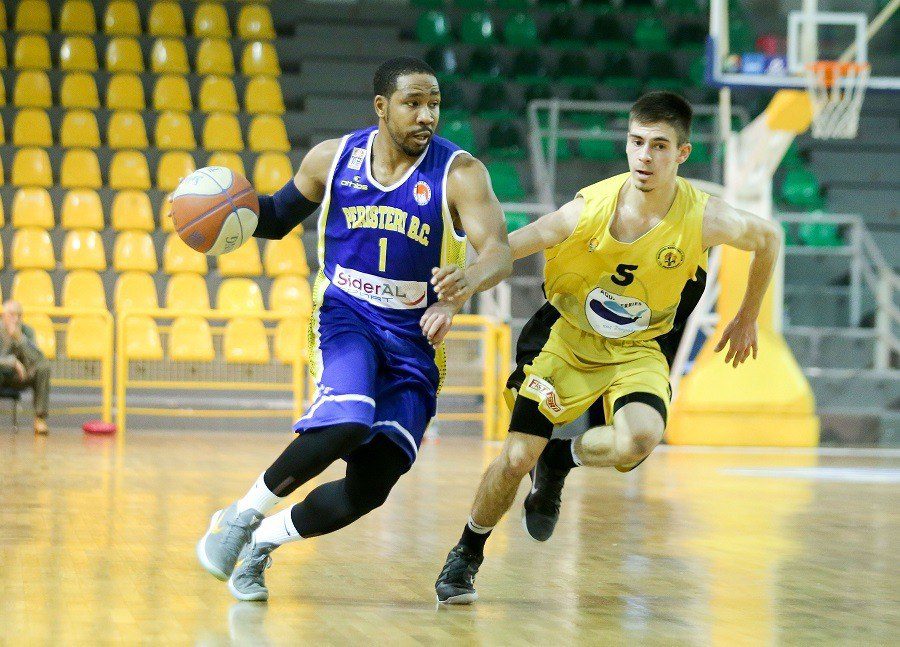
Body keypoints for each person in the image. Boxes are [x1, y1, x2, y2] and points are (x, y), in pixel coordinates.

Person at [434, 91, 784, 604]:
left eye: (659, 146)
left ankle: (561, 459)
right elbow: (511, 246)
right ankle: (467, 552)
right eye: (637, 142)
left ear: (682, 153)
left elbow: (770, 237)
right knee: (516, 458)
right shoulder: (589, 209)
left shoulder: (705, 217)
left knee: (639, 440)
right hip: (565, 340)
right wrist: (460, 284)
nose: (645, 156)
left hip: (636, 349)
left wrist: (748, 314)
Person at [196, 57, 512, 601]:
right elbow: (276, 217)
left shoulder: (459, 173)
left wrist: (463, 286)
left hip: (414, 340)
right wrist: (219, 208)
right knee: (348, 417)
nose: (427, 115)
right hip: (347, 317)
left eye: (434, 104)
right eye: (413, 103)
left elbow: (499, 251)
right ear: (381, 107)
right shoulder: (332, 158)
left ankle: (264, 542)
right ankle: (240, 516)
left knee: (370, 488)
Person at [0, 300, 51, 435]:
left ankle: (40, 419)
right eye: (12, 315)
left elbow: (38, 358)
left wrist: (20, 339)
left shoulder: (27, 331)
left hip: (20, 377)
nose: (16, 319)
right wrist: (13, 362)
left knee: (43, 367)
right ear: (3, 315)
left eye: (19, 315)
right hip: (2, 375)